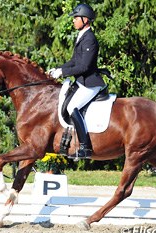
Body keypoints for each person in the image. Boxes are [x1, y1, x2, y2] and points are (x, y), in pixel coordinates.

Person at [48, 3, 106, 159]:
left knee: (73, 106)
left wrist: (63, 72)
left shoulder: (90, 39)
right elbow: (74, 61)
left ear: (85, 20)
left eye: (76, 18)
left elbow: (84, 66)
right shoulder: (82, 37)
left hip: (90, 83)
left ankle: (85, 147)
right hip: (82, 82)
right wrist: (58, 69)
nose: (73, 20)